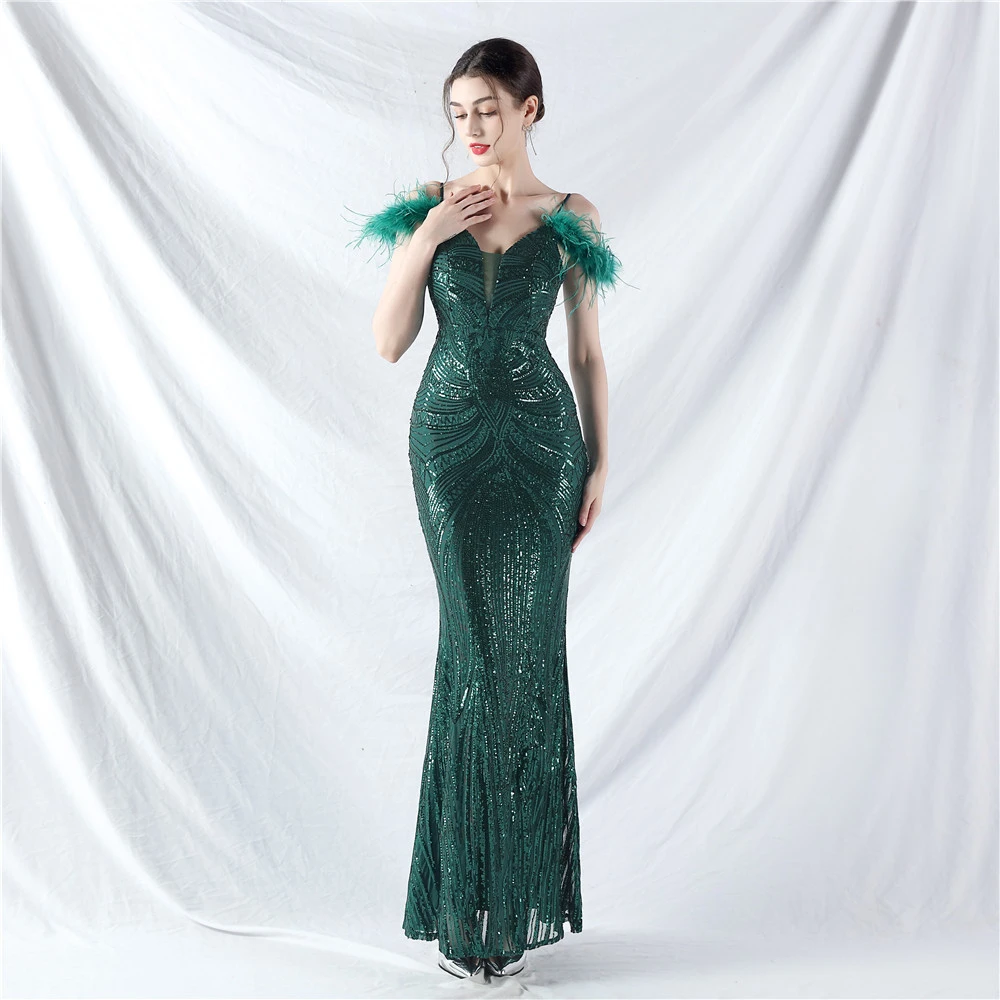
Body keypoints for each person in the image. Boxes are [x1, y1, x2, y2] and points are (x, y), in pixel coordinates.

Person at [345, 37, 624, 983]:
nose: (470, 127)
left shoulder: (572, 216)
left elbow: (586, 351)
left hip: (544, 450)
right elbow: (389, 342)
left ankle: (513, 902)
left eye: (488, 110)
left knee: (527, 659)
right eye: (458, 112)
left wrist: (601, 459)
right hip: (451, 449)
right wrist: (427, 238)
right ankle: (465, 905)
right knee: (472, 656)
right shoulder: (431, 207)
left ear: (529, 110)